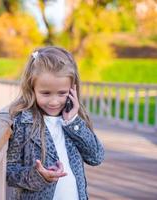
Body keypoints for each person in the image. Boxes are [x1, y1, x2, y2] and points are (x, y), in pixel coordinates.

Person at [6, 46, 104, 200]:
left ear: (72, 90)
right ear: (32, 89)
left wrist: (73, 122)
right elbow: (9, 170)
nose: (54, 101)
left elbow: (96, 157)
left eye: (62, 93)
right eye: (45, 93)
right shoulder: (23, 123)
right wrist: (38, 176)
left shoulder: (74, 121)